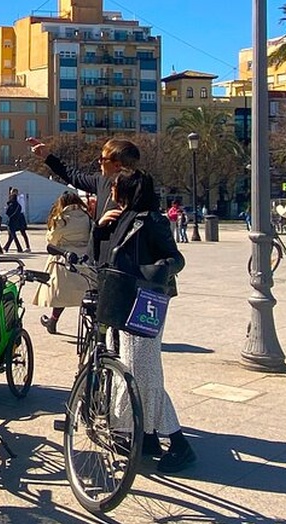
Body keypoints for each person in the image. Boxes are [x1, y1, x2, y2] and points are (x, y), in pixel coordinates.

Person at [94, 168, 192, 473]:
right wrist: (100, 230)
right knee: (132, 372)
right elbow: (100, 258)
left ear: (128, 190)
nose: (110, 192)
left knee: (143, 374)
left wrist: (154, 271)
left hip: (145, 302)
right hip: (120, 301)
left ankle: (178, 443)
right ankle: (145, 435)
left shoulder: (152, 220)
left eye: (115, 187)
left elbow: (176, 258)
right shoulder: (120, 218)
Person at [29, 136, 129, 262]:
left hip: (125, 260)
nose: (99, 162)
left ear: (117, 165)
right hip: (101, 258)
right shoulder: (100, 181)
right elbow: (73, 176)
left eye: (102, 159)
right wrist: (48, 157)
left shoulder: (140, 186)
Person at [34, 189, 92, 333]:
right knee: (87, 292)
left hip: (64, 256)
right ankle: (93, 326)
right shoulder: (87, 216)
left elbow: (51, 240)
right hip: (84, 257)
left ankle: (53, 321)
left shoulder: (61, 218)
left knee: (61, 294)